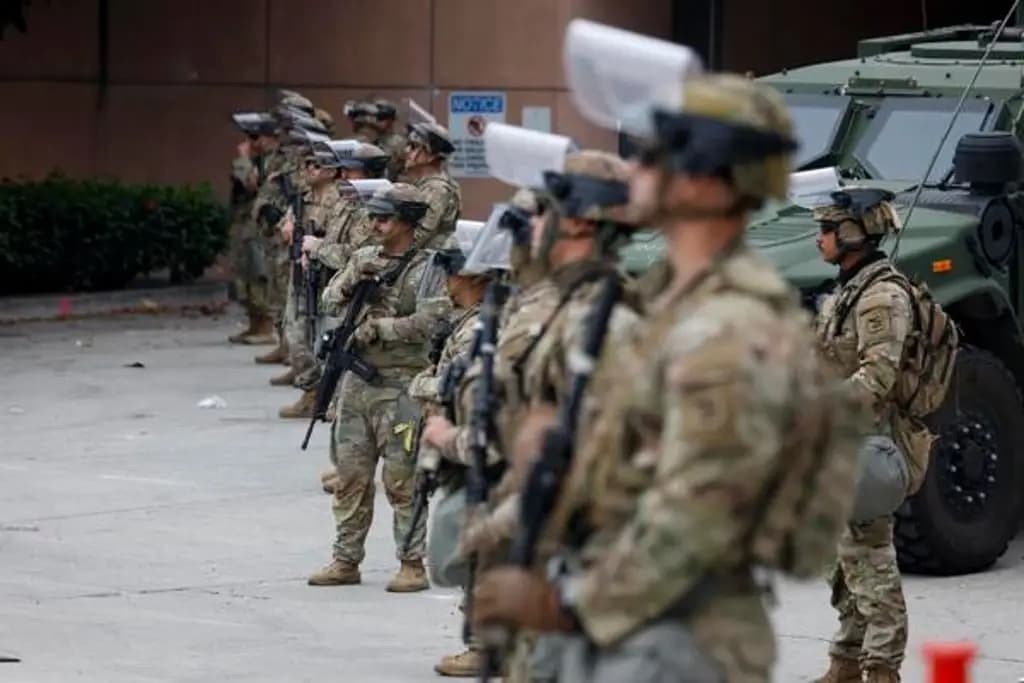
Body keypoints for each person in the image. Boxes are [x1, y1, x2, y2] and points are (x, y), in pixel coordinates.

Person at [472, 73, 851, 683]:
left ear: (702, 181)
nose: (634, 170)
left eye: (652, 156)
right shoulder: (667, 302)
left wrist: (562, 606)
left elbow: (698, 519)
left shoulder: (726, 325)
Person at [307, 184, 448, 592]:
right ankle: (345, 558)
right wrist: (352, 281)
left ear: (407, 221)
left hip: (403, 386)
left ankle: (411, 563)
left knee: (402, 480)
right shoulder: (364, 257)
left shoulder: (429, 268)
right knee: (351, 475)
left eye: (384, 218)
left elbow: (433, 320)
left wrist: (382, 328)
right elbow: (329, 300)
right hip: (358, 382)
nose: (375, 224)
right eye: (373, 217)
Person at [813, 189, 923, 683]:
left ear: (853, 234)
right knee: (842, 560)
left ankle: (881, 669)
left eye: (827, 230)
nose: (819, 240)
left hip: (869, 443)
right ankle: (847, 661)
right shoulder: (848, 290)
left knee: (870, 559)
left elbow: (876, 378)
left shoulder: (881, 296)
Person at [280, 142, 393, 421]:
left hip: (354, 288)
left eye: (351, 171)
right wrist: (311, 251)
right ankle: (323, 397)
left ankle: (339, 404)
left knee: (345, 348)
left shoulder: (373, 209)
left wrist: (318, 248)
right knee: (320, 342)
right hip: (331, 281)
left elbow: (357, 254)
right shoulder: (346, 202)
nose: (343, 176)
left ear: (369, 174)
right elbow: (332, 239)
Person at [269, 147, 347, 390]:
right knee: (295, 327)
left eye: (316, 165)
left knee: (321, 331)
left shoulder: (339, 200)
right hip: (301, 269)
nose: (308, 169)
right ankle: (306, 381)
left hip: (326, 272)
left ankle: (316, 388)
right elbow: (285, 228)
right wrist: (288, 227)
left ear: (331, 171)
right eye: (307, 164)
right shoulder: (302, 199)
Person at [227, 112, 275, 344]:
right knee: (243, 274)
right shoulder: (260, 160)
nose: (249, 143)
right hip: (245, 224)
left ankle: (265, 327)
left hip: (259, 226)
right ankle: (254, 324)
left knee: (258, 274)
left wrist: (244, 160)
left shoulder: (272, 161)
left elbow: (253, 185)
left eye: (254, 137)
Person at [403, 122, 462, 248]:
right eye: (408, 145)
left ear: (431, 155)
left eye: (414, 146)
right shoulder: (425, 184)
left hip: (427, 257)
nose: (406, 150)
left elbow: (417, 237)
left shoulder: (436, 189)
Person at [371, 99, 408, 181]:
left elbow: (407, 172)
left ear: (390, 120)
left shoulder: (399, 143)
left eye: (380, 118)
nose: (376, 122)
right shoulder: (373, 140)